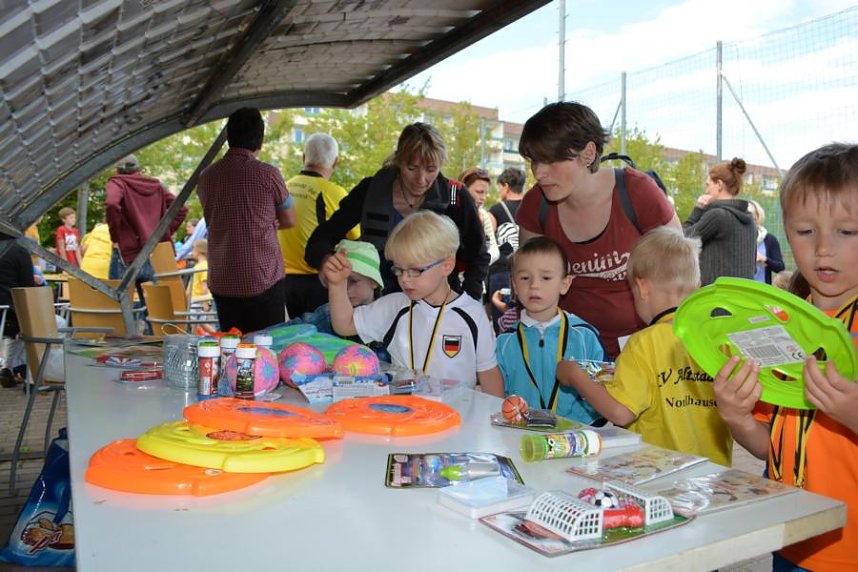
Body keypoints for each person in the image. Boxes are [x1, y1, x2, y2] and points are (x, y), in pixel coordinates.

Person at [713, 143, 858, 572]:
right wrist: (737, 418)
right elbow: (771, 450)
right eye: (805, 231)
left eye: (847, 231)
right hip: (790, 539)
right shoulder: (778, 328)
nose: (823, 249)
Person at [516, 102, 681, 358]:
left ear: (588, 153)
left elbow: (680, 280)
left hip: (643, 351)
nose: (538, 172)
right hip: (569, 351)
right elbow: (529, 284)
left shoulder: (638, 193)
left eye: (550, 160)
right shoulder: (536, 206)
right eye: (534, 161)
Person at [558, 227, 733, 465]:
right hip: (714, 477)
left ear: (641, 288)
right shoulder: (719, 341)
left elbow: (620, 412)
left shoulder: (642, 343)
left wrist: (576, 376)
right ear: (698, 285)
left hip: (656, 474)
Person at [323, 211, 503, 396]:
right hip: (405, 417)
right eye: (399, 270)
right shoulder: (395, 306)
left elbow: (488, 373)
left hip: (458, 419)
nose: (405, 279)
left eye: (415, 270)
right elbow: (344, 325)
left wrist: (495, 417)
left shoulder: (472, 313)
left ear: (447, 265)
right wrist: (337, 284)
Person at [305, 123, 489, 301]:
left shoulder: (455, 197)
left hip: (435, 309)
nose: (421, 179)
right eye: (412, 168)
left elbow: (479, 254)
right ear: (399, 160)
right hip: (377, 305)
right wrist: (325, 260)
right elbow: (321, 238)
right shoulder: (370, 190)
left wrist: (467, 301)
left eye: (431, 169)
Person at [198, 107, 296, 333]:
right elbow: (290, 219)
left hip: (223, 278)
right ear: (259, 140)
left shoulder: (206, 177)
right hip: (263, 277)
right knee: (267, 349)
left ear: (229, 137)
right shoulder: (268, 174)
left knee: (232, 347)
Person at [495, 236, 605, 424]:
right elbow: (498, 398)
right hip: (520, 435)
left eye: (545, 277)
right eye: (524, 278)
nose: (534, 285)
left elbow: (602, 392)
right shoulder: (504, 342)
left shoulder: (585, 336)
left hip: (576, 436)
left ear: (565, 284)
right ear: (514, 284)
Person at [279, 133, 359, 319]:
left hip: (281, 284)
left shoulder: (284, 188)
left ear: (304, 157)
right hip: (318, 282)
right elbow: (356, 238)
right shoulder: (334, 192)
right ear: (335, 162)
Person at [105, 154, 187, 284]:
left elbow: (111, 204)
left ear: (117, 170)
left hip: (128, 252)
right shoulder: (156, 186)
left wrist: (115, 237)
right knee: (156, 302)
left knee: (119, 301)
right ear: (138, 170)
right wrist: (163, 233)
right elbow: (181, 208)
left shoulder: (117, 183)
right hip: (156, 252)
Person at [285, 239, 383, 337]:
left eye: (353, 281)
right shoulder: (328, 313)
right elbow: (292, 329)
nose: (344, 289)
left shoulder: (388, 313)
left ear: (374, 282)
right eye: (338, 283)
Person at [682, 158, 756, 286]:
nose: (706, 191)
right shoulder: (750, 221)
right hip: (742, 297)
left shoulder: (717, 216)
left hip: (716, 298)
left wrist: (698, 209)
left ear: (719, 185)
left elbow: (682, 239)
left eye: (708, 185)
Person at [488, 167, 526, 329]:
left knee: (501, 324)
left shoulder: (496, 210)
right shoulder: (530, 207)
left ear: (505, 186)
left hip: (501, 272)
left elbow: (489, 242)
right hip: (526, 272)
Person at [0, 241, 36, 387]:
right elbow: (28, 289)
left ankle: (8, 368)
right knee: (30, 321)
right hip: (8, 313)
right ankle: (33, 375)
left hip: (5, 314)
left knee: (16, 324)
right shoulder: (18, 251)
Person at [459, 166, 499, 266]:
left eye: (485, 193)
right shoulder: (449, 214)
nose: (483, 198)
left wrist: (479, 261)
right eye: (479, 192)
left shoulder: (484, 216)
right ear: (464, 189)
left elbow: (494, 250)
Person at [746, 199, 785, 284]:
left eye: (753, 218)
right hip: (741, 290)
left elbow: (780, 268)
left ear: (758, 218)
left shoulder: (769, 239)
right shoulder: (737, 239)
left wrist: (765, 259)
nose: (750, 222)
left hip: (762, 290)